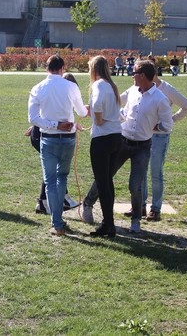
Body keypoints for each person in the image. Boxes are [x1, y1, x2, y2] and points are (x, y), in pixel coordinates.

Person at [82, 60, 173, 233]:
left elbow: (167, 125)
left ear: (143, 76)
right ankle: (88, 203)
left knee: (135, 185)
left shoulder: (160, 99)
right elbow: (116, 103)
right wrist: (93, 109)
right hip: (122, 141)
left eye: (135, 72)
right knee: (105, 177)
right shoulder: (131, 91)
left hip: (142, 146)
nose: (132, 75)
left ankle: (136, 220)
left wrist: (150, 127)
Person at [126, 58, 187, 221]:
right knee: (141, 171)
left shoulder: (165, 89)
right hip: (142, 135)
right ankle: (140, 206)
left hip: (159, 137)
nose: (134, 75)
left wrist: (171, 120)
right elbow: (123, 99)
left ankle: (155, 209)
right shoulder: (138, 88)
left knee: (156, 172)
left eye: (136, 72)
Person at [28, 54, 89, 236]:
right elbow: (81, 111)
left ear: (47, 68)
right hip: (68, 139)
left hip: (49, 139)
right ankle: (58, 221)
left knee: (50, 181)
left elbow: (33, 118)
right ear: (63, 68)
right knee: (62, 178)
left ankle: (57, 223)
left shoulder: (38, 88)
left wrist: (54, 125)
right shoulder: (71, 86)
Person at [25, 72, 81, 215]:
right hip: (44, 136)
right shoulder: (63, 88)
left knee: (55, 172)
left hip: (48, 133)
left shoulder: (57, 88)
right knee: (53, 172)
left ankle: (59, 200)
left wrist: (74, 125)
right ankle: (46, 202)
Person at [86, 56, 123, 238]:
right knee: (107, 181)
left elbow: (99, 108)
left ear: (94, 69)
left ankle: (109, 224)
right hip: (116, 137)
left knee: (102, 183)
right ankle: (108, 223)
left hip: (102, 138)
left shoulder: (98, 85)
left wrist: (98, 117)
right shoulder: (111, 85)